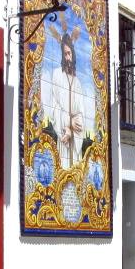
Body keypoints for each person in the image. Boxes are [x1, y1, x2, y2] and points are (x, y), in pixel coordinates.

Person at [43, 31, 94, 169]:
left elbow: (81, 113)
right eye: (65, 54)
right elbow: (54, 106)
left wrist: (73, 126)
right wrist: (68, 123)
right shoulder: (57, 75)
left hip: (74, 138)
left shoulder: (77, 83)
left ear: (73, 54)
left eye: (69, 53)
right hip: (64, 134)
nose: (67, 58)